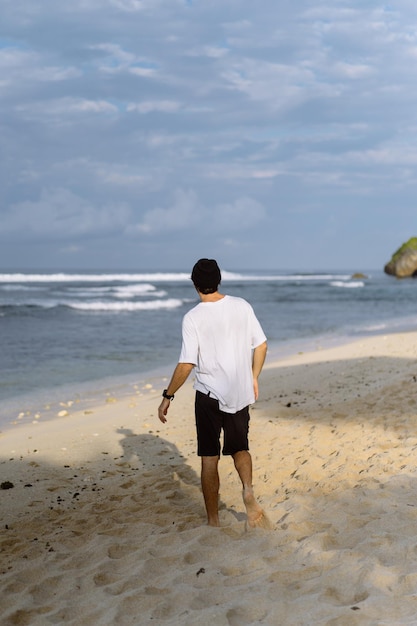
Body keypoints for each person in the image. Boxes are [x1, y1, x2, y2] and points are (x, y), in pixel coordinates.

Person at [158, 258, 270, 528]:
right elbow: (262, 345)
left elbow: (186, 364)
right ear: (218, 280)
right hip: (239, 391)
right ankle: (247, 490)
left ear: (195, 284)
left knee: (210, 457)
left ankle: (213, 521)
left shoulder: (193, 317)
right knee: (240, 447)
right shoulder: (241, 305)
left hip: (209, 394)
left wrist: (168, 395)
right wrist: (252, 378)